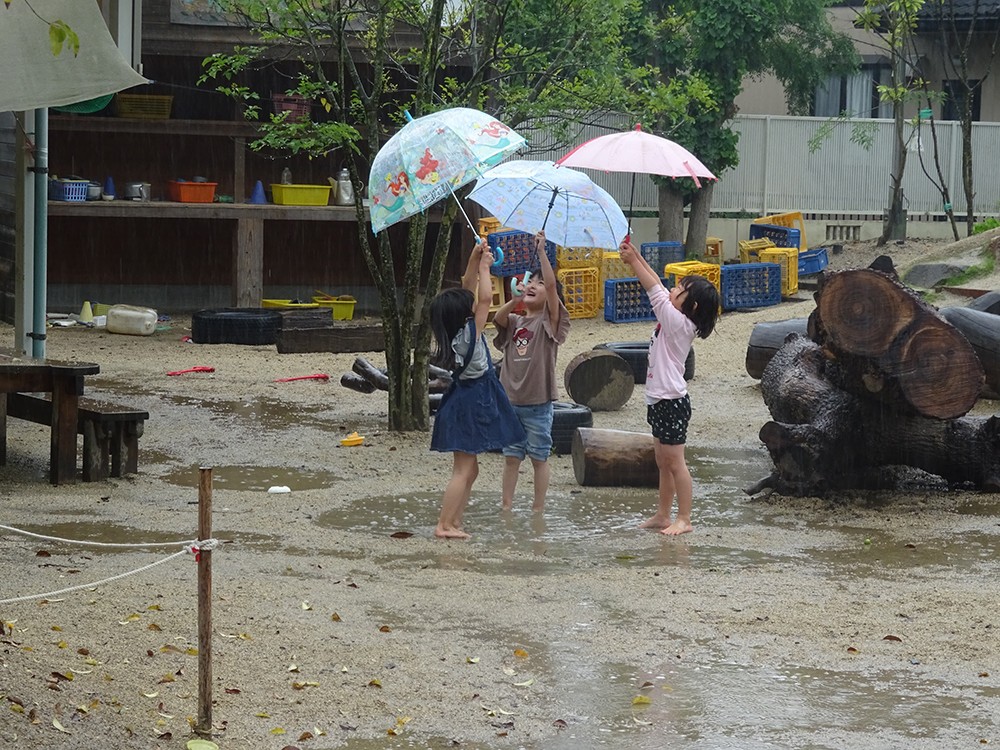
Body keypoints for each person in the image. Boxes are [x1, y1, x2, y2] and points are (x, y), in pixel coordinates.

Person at [618, 239, 719, 535]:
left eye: (681, 290)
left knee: (676, 463)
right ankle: (663, 515)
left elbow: (654, 290)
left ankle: (684, 518)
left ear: (692, 305)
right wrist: (634, 254)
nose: (672, 289)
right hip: (659, 399)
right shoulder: (676, 314)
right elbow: (659, 287)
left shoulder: (678, 323)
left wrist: (634, 262)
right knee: (663, 461)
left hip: (672, 400)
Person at [429, 239, 526, 539]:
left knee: (471, 470)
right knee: (463, 469)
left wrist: (474, 259)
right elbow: (484, 298)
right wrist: (486, 267)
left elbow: (468, 289)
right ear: (466, 315)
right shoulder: (471, 331)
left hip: (464, 398)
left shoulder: (457, 329)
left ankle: (454, 522)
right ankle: (444, 525)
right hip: (471, 400)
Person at [492, 230, 570, 512]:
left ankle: (538, 507)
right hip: (511, 402)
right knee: (511, 457)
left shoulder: (550, 324)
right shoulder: (515, 320)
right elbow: (498, 319)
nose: (534, 285)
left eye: (538, 283)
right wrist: (515, 299)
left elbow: (551, 286)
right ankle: (506, 505)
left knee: (539, 457)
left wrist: (541, 253)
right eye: (531, 281)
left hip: (538, 404)